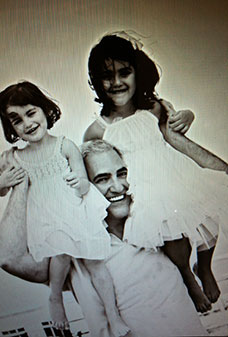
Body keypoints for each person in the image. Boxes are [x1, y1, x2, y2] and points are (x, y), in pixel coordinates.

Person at [0, 140, 209, 336]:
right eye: (102, 179)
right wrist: (20, 183)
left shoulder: (156, 229)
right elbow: (10, 258)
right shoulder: (75, 252)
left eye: (122, 173)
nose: (118, 186)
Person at [83, 33, 228, 313]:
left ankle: (205, 266)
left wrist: (188, 115)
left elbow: (177, 120)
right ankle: (187, 276)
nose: (116, 83)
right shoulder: (98, 129)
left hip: (174, 174)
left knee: (209, 214)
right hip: (143, 186)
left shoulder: (153, 107)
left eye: (124, 72)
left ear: (137, 72)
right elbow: (94, 161)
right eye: (107, 76)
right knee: (172, 235)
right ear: (97, 82)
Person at [0, 81, 130, 337]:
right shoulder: (16, 157)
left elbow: (82, 182)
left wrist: (78, 182)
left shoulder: (64, 146)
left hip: (74, 211)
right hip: (48, 218)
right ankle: (55, 298)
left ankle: (114, 315)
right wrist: (2, 182)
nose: (27, 123)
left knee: (96, 265)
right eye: (17, 120)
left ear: (45, 110)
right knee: (61, 251)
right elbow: (0, 189)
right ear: (11, 128)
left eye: (31, 113)